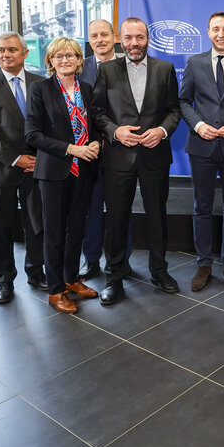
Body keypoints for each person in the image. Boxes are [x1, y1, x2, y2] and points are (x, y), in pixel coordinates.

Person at [92, 17, 182, 305]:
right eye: (129, 38)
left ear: (147, 38)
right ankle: (114, 277)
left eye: (140, 37)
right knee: (116, 220)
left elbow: (174, 110)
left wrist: (162, 130)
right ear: (121, 39)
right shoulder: (107, 70)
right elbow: (97, 111)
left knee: (157, 217)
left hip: (155, 155)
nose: (134, 43)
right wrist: (114, 131)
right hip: (118, 157)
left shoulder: (165, 69)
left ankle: (159, 271)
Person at [179, 11, 224, 292]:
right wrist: (198, 125)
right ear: (208, 32)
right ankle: (204, 263)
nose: (221, 34)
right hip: (202, 146)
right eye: (215, 29)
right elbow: (184, 101)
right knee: (201, 207)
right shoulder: (194, 63)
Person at [0, 32, 47, 304]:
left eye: (12, 49)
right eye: (1, 50)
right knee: (0, 228)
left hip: (37, 166)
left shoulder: (41, 83)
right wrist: (16, 158)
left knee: (36, 224)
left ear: (25, 53)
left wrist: (39, 158)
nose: (6, 54)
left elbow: (48, 124)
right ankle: (4, 279)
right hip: (0, 167)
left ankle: (36, 272)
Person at [25, 37, 101, 313]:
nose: (65, 60)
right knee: (55, 232)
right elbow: (32, 133)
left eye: (70, 55)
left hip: (84, 169)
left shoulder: (88, 89)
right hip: (55, 171)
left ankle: (71, 279)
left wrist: (95, 143)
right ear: (51, 61)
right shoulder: (40, 89)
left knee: (76, 230)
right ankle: (56, 290)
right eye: (58, 56)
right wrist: (71, 149)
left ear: (80, 60)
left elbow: (94, 126)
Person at [78, 19, 133, 281]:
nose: (99, 40)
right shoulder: (80, 67)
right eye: (94, 36)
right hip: (88, 152)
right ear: (89, 40)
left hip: (121, 149)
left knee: (121, 208)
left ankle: (122, 260)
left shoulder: (130, 64)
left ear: (115, 37)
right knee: (90, 209)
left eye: (104, 34)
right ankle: (90, 260)